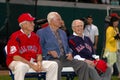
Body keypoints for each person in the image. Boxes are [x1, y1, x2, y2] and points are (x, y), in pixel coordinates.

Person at [36, 12, 89, 80]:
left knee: (83, 64)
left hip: (64, 58)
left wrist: (70, 53)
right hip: (50, 59)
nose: (61, 21)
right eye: (58, 19)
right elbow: (38, 48)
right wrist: (48, 52)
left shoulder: (63, 32)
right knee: (57, 64)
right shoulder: (41, 32)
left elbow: (67, 47)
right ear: (51, 21)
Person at [6, 13, 58, 80]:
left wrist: (39, 62)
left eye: (33, 22)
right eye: (30, 22)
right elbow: (15, 57)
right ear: (23, 25)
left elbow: (39, 54)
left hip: (32, 62)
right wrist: (32, 65)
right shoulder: (15, 36)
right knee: (21, 66)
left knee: (53, 65)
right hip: (17, 62)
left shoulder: (35, 36)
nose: (33, 24)